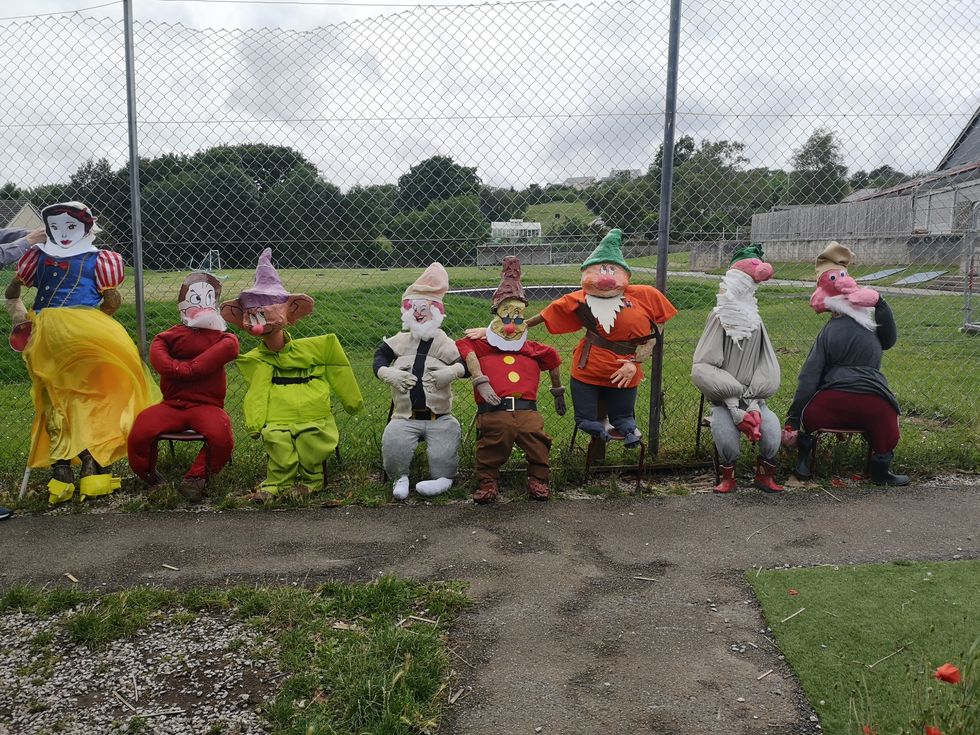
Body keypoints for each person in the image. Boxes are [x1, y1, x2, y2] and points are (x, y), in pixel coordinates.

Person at [9, 201, 159, 504]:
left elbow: (13, 293)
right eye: (56, 227)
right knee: (98, 396)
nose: (62, 233)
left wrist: (20, 315)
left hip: (47, 330)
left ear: (85, 227)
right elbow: (112, 302)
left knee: (56, 398)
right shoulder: (103, 260)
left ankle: (61, 475)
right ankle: (95, 471)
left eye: (70, 227)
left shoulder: (36, 257)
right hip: (90, 329)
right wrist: (96, 318)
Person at [221, 248, 363, 500]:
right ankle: (274, 483)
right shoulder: (256, 360)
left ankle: (312, 479)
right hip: (279, 410)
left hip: (312, 407)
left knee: (311, 437)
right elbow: (258, 391)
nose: (258, 319)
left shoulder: (319, 347)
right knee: (276, 437)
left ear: (291, 310)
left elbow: (338, 369)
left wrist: (351, 400)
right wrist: (255, 423)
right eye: (251, 313)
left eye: (264, 311)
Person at [783, 241, 909, 486]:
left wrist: (794, 419)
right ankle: (881, 469)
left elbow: (808, 379)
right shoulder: (871, 328)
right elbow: (890, 340)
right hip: (875, 404)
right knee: (887, 425)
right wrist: (881, 305)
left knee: (811, 416)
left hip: (832, 405)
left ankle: (804, 462)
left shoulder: (828, 334)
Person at [456, 257, 566, 503]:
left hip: (527, 410)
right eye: (505, 317)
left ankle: (538, 478)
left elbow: (553, 359)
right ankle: (488, 481)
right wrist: (480, 379)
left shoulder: (531, 348)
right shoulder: (484, 346)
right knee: (492, 444)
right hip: (495, 409)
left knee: (537, 441)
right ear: (495, 315)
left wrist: (557, 390)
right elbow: (465, 348)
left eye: (517, 318)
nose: (511, 325)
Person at [128, 272, 239, 502]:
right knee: (142, 428)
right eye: (196, 298)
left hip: (207, 406)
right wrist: (179, 369)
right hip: (172, 405)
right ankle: (150, 477)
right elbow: (159, 358)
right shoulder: (168, 336)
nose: (202, 305)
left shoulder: (224, 338)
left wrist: (185, 369)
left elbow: (223, 352)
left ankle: (196, 478)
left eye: (209, 298)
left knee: (221, 433)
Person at [691, 244, 783, 493]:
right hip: (724, 401)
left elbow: (767, 361)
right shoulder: (720, 317)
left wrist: (753, 403)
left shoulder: (755, 319)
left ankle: (764, 477)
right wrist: (733, 406)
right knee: (726, 437)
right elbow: (704, 364)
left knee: (772, 431)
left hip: (755, 399)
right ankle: (728, 478)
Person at [375, 262, 466, 501]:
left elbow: (465, 364)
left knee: (445, 445)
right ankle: (400, 477)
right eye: (414, 308)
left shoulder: (444, 343)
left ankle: (443, 478)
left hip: (440, 417)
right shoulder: (400, 340)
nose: (418, 313)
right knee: (394, 443)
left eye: (424, 308)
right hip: (404, 417)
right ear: (406, 310)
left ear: (435, 311)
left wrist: (452, 372)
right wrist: (387, 373)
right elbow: (380, 356)